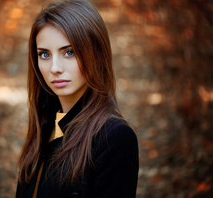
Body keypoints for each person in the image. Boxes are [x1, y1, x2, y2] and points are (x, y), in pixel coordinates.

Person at [16, 0, 139, 197]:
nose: (55, 68)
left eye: (69, 52)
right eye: (44, 54)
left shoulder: (113, 138)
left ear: (96, 53)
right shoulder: (45, 126)